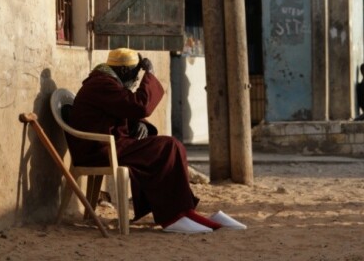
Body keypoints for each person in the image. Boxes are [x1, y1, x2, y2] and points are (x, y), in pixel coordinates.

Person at [67, 48, 246, 234]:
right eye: (137, 73)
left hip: (111, 145)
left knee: (169, 147)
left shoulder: (107, 81)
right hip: (99, 149)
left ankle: (184, 210)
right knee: (168, 146)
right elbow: (139, 106)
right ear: (124, 71)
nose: (137, 79)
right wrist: (150, 74)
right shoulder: (102, 84)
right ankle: (174, 215)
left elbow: (122, 109)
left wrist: (139, 124)